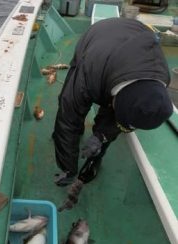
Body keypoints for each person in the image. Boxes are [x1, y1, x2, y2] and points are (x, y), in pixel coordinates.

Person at [52, 17, 173, 186]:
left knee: (114, 120)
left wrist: (102, 135)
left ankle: (95, 157)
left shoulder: (162, 78)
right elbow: (67, 119)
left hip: (131, 39)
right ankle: (72, 147)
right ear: (115, 99)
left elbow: (122, 118)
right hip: (98, 35)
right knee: (70, 106)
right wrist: (68, 169)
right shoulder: (89, 73)